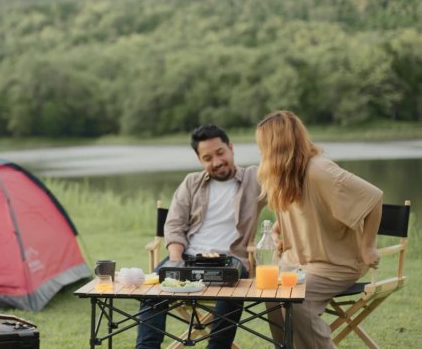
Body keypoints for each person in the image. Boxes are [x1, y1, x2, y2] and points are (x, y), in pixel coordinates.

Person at [255, 110, 383, 349]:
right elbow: (304, 210)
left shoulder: (319, 170)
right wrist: (279, 229)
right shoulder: (282, 174)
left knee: (296, 297)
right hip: (296, 261)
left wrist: (368, 247)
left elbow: (373, 197)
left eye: (262, 145)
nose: (260, 152)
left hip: (334, 264)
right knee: (271, 295)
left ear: (277, 145)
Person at [135, 124, 265, 349]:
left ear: (231, 148)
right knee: (153, 291)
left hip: (230, 260)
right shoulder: (191, 183)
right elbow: (174, 225)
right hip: (188, 258)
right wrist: (176, 260)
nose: (216, 162)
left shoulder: (255, 178)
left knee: (230, 291)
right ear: (200, 160)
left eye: (220, 153)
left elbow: (287, 190)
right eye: (207, 158)